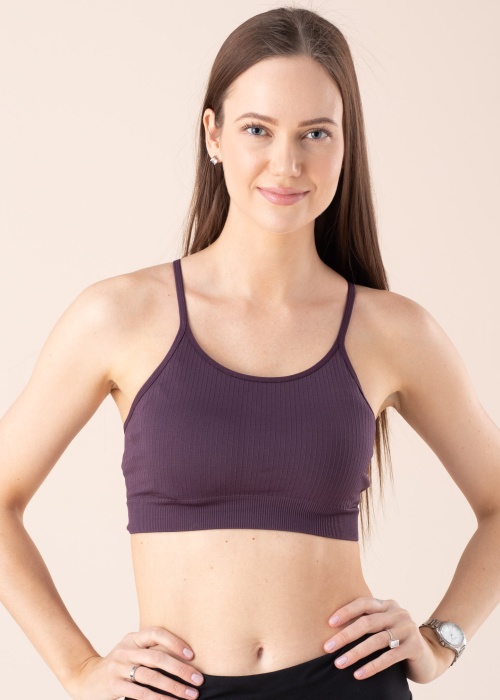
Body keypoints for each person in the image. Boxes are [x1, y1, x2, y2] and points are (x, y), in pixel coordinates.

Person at [1, 5, 499, 699]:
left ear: (345, 143)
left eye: (315, 133)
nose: (286, 164)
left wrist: (443, 640)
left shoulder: (393, 331)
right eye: (258, 129)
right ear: (213, 134)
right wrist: (78, 668)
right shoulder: (118, 316)